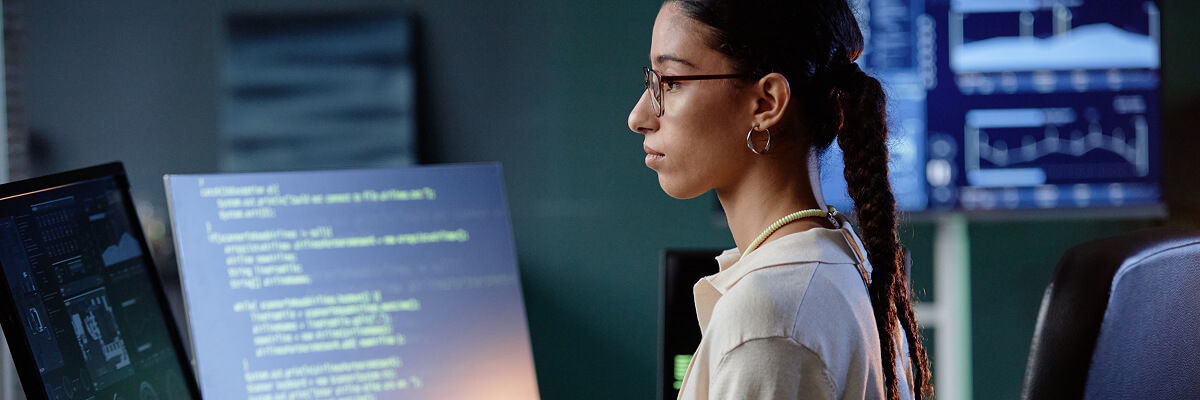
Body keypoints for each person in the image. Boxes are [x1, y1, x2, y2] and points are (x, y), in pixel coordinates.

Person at [627, 1, 932, 399]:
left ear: (766, 103)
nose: (639, 116)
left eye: (671, 82)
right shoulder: (840, 262)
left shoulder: (768, 322)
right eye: (653, 80)